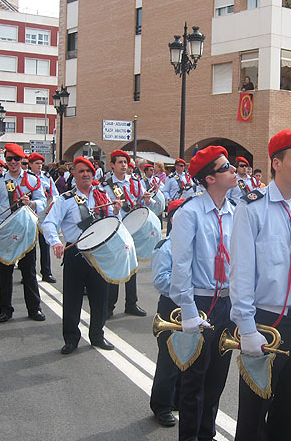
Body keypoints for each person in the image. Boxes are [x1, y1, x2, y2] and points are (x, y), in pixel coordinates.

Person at [229, 129, 291, 441]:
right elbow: (242, 273)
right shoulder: (252, 207)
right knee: (253, 414)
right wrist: (246, 328)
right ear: (276, 163)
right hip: (266, 321)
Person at [169, 145, 238, 441]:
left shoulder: (234, 212)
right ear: (209, 178)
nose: (234, 170)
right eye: (225, 168)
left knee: (217, 379)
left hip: (226, 302)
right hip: (200, 301)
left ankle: (207, 435)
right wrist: (187, 310)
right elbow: (181, 264)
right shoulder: (190, 212)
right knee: (194, 380)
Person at [42, 157, 121, 354]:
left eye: (88, 171)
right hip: (76, 254)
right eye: (81, 171)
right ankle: (71, 338)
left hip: (100, 253)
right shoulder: (65, 199)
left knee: (100, 297)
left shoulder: (103, 196)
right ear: (74, 175)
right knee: (72, 299)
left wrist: (117, 212)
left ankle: (97, 335)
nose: (85, 174)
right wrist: (56, 242)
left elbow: (112, 222)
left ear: (93, 174)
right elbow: (49, 223)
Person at [0, 143, 47, 324]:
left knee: (29, 271)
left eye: (16, 159)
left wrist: (32, 204)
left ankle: (34, 308)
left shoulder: (32, 180)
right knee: (5, 271)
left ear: (22, 160)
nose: (12, 163)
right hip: (6, 230)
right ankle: (5, 309)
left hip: (26, 229)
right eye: (9, 159)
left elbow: (42, 201)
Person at [150, 198, 185, 428]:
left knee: (187, 356)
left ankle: (178, 399)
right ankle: (162, 405)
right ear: (173, 219)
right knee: (169, 359)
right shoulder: (166, 247)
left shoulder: (194, 244)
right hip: (172, 305)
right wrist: (187, 285)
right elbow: (161, 281)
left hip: (191, 304)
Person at [102, 149, 150, 318]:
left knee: (132, 267)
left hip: (133, 229)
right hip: (116, 230)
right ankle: (109, 306)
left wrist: (148, 201)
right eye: (120, 162)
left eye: (126, 162)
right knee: (116, 267)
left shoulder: (135, 182)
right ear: (112, 165)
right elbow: (104, 211)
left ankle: (131, 303)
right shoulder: (105, 185)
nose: (124, 166)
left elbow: (142, 205)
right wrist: (114, 211)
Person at [28, 153, 58, 284]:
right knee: (30, 246)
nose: (39, 166)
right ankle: (29, 273)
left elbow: (55, 194)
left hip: (43, 213)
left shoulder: (46, 177)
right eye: (36, 163)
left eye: (40, 163)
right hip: (29, 213)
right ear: (30, 165)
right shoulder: (26, 177)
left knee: (45, 243)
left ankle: (46, 272)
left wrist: (52, 203)